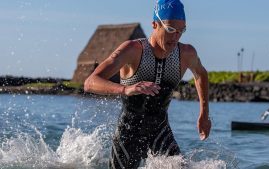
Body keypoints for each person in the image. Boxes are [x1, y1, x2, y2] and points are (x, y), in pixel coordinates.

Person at [84, 0, 211, 168]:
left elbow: (201, 74)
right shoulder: (133, 50)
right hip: (128, 133)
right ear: (154, 24)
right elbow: (90, 82)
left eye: (181, 31)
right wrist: (125, 89)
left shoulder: (186, 54)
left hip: (160, 129)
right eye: (171, 30)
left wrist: (204, 113)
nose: (176, 37)